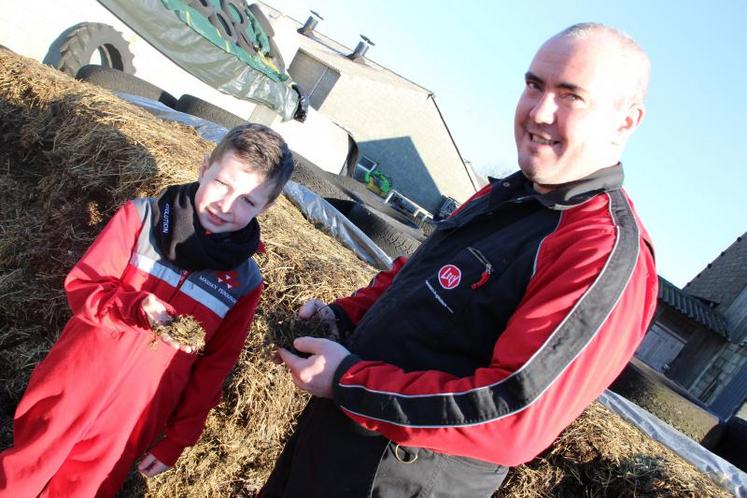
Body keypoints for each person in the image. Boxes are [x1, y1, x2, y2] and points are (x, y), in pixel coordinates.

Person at [262, 23, 658, 497]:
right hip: (337, 440)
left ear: (625, 121)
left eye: (571, 96)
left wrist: (348, 381)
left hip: (397, 477)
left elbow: (511, 413)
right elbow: (415, 278)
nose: (539, 111)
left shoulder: (599, 249)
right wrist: (341, 316)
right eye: (535, 85)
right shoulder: (505, 195)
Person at [0, 123, 294, 497]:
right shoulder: (140, 219)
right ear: (204, 169)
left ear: (266, 207)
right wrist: (135, 306)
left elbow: (215, 365)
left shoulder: (244, 282)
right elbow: (83, 286)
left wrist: (178, 437)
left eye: (248, 201)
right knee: (21, 475)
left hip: (134, 417)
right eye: (222, 183)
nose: (226, 205)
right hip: (71, 386)